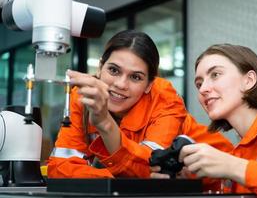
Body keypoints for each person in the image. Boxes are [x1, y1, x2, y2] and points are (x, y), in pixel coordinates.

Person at [47, 30, 233, 178]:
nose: (120, 84)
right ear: (100, 67)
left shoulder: (165, 99)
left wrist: (104, 123)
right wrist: (113, 180)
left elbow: (148, 167)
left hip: (223, 179)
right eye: (113, 70)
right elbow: (60, 167)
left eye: (135, 77)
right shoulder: (84, 96)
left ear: (149, 84)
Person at [152, 44, 257, 197]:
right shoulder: (238, 154)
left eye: (215, 74)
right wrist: (188, 185)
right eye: (199, 84)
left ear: (249, 80)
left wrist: (235, 167)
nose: (202, 89)